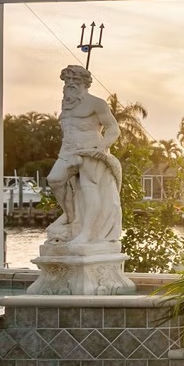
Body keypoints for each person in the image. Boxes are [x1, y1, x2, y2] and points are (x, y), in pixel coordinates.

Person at [45, 66, 124, 248]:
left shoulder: (97, 103)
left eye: (75, 81)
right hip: (68, 150)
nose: (70, 85)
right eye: (67, 82)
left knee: (89, 188)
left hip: (90, 150)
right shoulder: (67, 103)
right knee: (55, 179)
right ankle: (71, 217)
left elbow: (113, 128)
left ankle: (88, 233)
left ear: (84, 84)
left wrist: (102, 147)